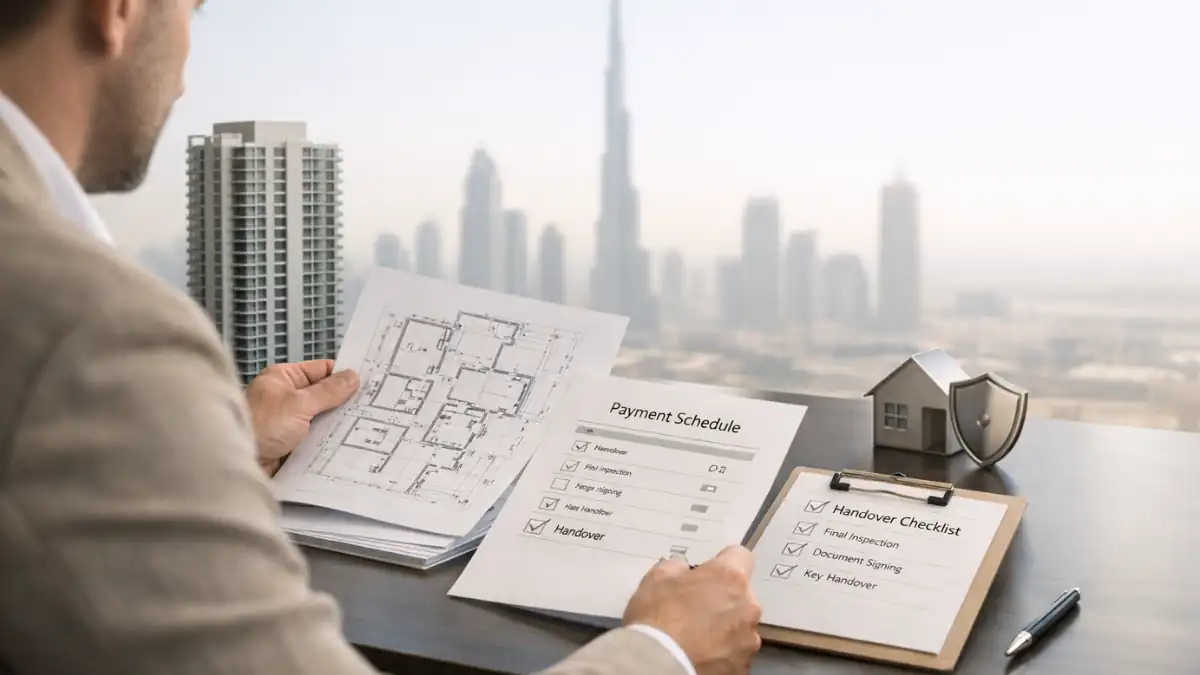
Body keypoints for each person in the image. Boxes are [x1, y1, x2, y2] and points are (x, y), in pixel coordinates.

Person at [0, 2, 764, 675]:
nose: (188, 71)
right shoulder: (89, 323)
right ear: (117, 10)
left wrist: (219, 438)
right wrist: (665, 651)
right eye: (194, 10)